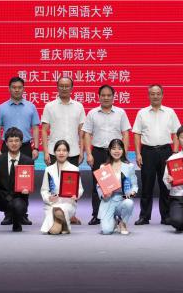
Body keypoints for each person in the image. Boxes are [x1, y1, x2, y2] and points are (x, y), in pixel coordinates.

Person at [0, 76, 40, 225]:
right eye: (14, 87)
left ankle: (22, 213)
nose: (17, 90)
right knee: (5, 181)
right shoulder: (1, 107)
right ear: (9, 89)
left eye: (19, 87)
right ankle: (8, 214)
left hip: (25, 147)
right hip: (7, 147)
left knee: (25, 180)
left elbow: (36, 128)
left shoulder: (31, 106)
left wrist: (36, 147)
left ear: (23, 89)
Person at [83, 84, 131, 225]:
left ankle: (117, 214)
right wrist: (89, 154)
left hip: (116, 154)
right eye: (103, 95)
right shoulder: (92, 113)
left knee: (118, 183)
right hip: (98, 152)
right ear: (98, 97)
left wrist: (124, 153)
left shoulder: (121, 113)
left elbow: (125, 133)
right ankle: (97, 215)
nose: (106, 98)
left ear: (113, 97)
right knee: (97, 185)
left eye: (109, 95)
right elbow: (87, 134)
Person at [41, 76, 87, 225]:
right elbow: (44, 130)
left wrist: (82, 150)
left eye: (67, 86)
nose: (64, 88)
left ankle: (71, 213)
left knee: (71, 184)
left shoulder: (79, 106)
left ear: (72, 88)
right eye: (61, 85)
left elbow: (82, 131)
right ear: (57, 87)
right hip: (54, 151)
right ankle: (53, 210)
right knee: (54, 183)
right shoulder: (50, 106)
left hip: (73, 151)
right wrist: (45, 151)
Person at [132, 84, 180, 226]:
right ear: (148, 95)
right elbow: (137, 134)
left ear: (162, 95)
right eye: (152, 94)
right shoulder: (142, 113)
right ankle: (144, 216)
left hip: (166, 151)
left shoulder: (170, 112)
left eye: (158, 93)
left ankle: (166, 216)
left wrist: (175, 153)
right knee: (147, 185)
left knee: (166, 185)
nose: (155, 96)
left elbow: (176, 133)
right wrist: (138, 153)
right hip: (148, 152)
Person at [0, 127, 36, 235]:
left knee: (18, 205)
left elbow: (29, 183)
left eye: (17, 141)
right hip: (1, 200)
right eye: (10, 141)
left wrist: (28, 189)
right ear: (6, 143)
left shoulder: (28, 161)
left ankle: (17, 222)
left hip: (18, 198)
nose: (14, 143)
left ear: (21, 143)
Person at [39, 140, 84, 234]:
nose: (61, 153)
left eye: (64, 150)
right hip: (52, 204)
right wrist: (49, 198)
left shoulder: (74, 169)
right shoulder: (48, 169)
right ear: (54, 152)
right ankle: (64, 225)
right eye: (58, 150)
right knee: (54, 230)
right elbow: (44, 190)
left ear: (68, 153)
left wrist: (76, 195)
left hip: (68, 203)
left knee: (59, 213)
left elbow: (80, 189)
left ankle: (61, 221)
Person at [96, 138, 139, 235]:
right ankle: (115, 221)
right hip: (108, 200)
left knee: (129, 203)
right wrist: (104, 194)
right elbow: (98, 186)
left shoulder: (129, 166)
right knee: (106, 231)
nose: (116, 151)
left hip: (122, 199)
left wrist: (132, 193)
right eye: (114, 148)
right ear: (109, 150)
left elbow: (134, 185)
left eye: (119, 148)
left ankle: (123, 223)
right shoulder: (103, 167)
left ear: (123, 150)